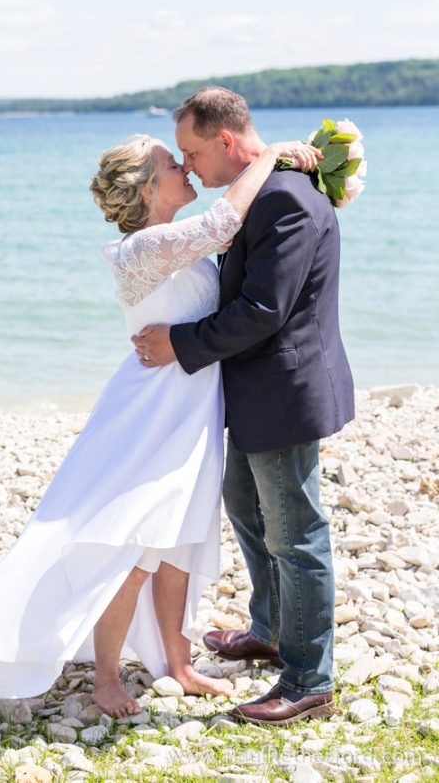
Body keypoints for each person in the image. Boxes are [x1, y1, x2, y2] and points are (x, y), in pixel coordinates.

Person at [0, 132, 320, 719]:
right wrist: (268, 156)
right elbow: (222, 223)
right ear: (147, 189)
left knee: (178, 540)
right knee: (134, 543)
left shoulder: (176, 244)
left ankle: (179, 664)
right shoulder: (140, 250)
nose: (186, 167)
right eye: (173, 164)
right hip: (150, 414)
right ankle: (106, 680)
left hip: (192, 410)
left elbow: (241, 242)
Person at [133, 87, 355, 726]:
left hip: (284, 391)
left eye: (193, 152)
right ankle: (272, 630)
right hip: (254, 390)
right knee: (247, 510)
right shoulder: (262, 188)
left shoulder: (285, 197)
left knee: (295, 535)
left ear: (226, 140)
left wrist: (178, 344)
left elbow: (263, 310)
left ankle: (309, 679)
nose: (189, 166)